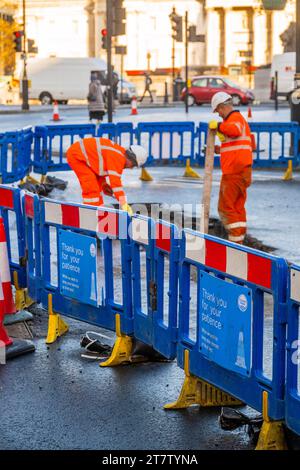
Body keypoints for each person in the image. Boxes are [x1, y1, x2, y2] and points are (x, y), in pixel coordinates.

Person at [209, 91, 254, 244]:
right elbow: (238, 145)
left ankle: (235, 243)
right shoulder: (239, 120)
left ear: (222, 107)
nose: (219, 115)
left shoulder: (234, 119)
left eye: (218, 111)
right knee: (237, 207)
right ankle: (239, 240)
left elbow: (233, 130)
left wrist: (219, 126)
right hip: (242, 170)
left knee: (226, 207)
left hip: (234, 171)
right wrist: (219, 149)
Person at [66, 138, 147, 215]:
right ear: (131, 159)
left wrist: (103, 184)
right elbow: (116, 185)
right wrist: (124, 204)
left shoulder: (118, 153)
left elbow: (97, 169)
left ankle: (97, 214)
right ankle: (90, 218)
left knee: (97, 189)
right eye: (133, 165)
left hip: (80, 155)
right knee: (91, 190)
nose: (131, 168)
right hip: (77, 156)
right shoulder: (118, 159)